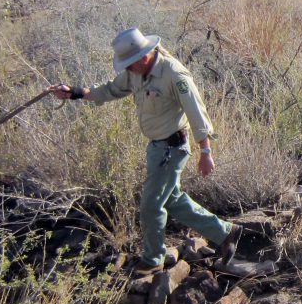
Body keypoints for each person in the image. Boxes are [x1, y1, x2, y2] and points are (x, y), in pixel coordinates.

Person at [49, 27, 240, 272]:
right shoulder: (134, 73)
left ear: (144, 56)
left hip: (173, 148)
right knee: (172, 199)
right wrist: (74, 93)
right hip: (156, 148)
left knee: (151, 205)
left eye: (129, 63)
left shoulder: (174, 74)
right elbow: (109, 90)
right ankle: (225, 233)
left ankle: (153, 260)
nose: (126, 69)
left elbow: (197, 113)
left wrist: (205, 152)